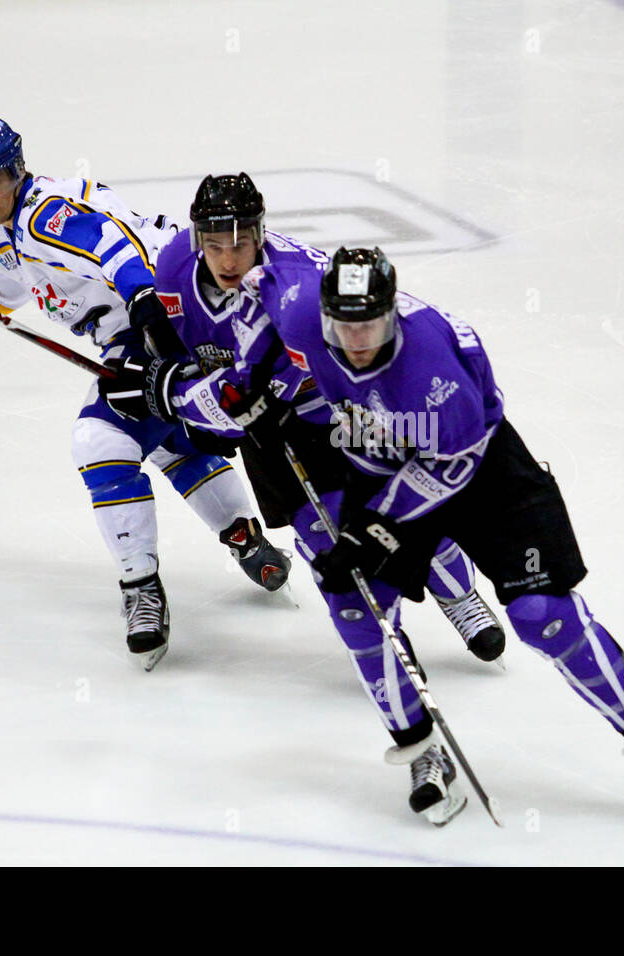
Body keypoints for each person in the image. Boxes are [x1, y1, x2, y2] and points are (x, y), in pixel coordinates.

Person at [138, 246, 624, 824]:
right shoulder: (301, 305)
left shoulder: (432, 368)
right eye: (344, 326)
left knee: (544, 614)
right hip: (381, 458)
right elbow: (258, 297)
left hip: (481, 470)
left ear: (394, 315)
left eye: (371, 325)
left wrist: (371, 532)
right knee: (356, 607)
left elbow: (448, 470)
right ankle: (421, 749)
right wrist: (244, 384)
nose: (357, 342)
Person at [0, 116, 289, 670]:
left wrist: (145, 303)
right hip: (149, 322)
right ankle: (243, 536)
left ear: (17, 171)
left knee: (101, 438)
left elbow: (110, 244)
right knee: (165, 431)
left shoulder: (45, 212)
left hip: (170, 314)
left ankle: (140, 586)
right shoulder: (2, 232)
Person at [99, 173, 507, 679]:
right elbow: (190, 352)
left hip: (338, 415)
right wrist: (165, 369)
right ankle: (381, 644)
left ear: (261, 235)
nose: (228, 259)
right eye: (215, 244)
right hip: (259, 420)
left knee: (395, 515)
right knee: (319, 535)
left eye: (241, 244)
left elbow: (273, 384)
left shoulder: (297, 287)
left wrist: (174, 395)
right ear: (197, 237)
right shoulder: (175, 264)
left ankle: (460, 597)